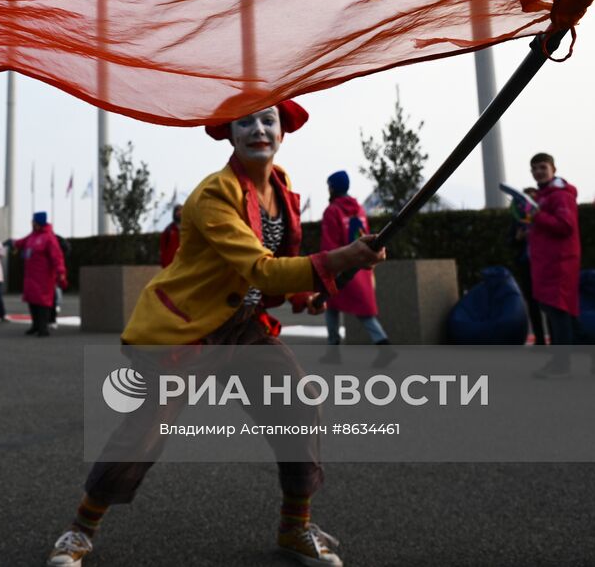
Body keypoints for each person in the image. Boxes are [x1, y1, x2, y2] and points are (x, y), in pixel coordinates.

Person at [44, 101, 384, 567]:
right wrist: (343, 258)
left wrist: (306, 297)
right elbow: (260, 268)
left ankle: (294, 526)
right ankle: (80, 529)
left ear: (283, 130)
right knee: (147, 427)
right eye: (246, 122)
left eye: (268, 120)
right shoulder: (212, 195)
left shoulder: (282, 187)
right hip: (190, 331)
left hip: (246, 328)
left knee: (299, 403)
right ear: (230, 133)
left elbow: (269, 270)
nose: (258, 129)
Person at [526, 153, 595, 378]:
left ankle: (562, 363)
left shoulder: (560, 196)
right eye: (534, 168)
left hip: (559, 263)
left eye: (542, 167)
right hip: (546, 263)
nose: (538, 172)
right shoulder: (542, 197)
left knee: (559, 314)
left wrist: (537, 216)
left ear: (553, 168)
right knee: (559, 314)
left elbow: (565, 225)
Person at [308, 170, 393, 358]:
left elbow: (329, 244)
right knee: (360, 308)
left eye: (329, 186)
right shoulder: (359, 210)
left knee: (330, 302)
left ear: (333, 187)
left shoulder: (332, 211)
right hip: (360, 268)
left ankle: (336, 349)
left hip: (340, 267)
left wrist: (328, 266)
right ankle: (381, 345)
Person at [16, 212, 66, 337]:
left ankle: (43, 328)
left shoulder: (48, 237)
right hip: (31, 275)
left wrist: (61, 272)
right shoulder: (32, 236)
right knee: (32, 300)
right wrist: (12, 243)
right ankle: (35, 325)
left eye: (34, 221)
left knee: (43, 302)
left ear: (39, 222)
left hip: (44, 276)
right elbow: (20, 243)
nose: (32, 223)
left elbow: (57, 256)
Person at [507, 187, 545, 345]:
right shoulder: (518, 222)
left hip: (543, 266)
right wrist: (518, 238)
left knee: (549, 305)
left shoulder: (543, 219)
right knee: (533, 305)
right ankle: (540, 339)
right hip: (526, 266)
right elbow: (509, 242)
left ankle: (556, 340)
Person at [158, 205, 182, 269]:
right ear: (174, 213)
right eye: (177, 210)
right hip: (170, 264)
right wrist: (164, 263)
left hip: (184, 263)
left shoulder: (187, 228)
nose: (179, 212)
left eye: (181, 210)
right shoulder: (169, 229)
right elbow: (162, 248)